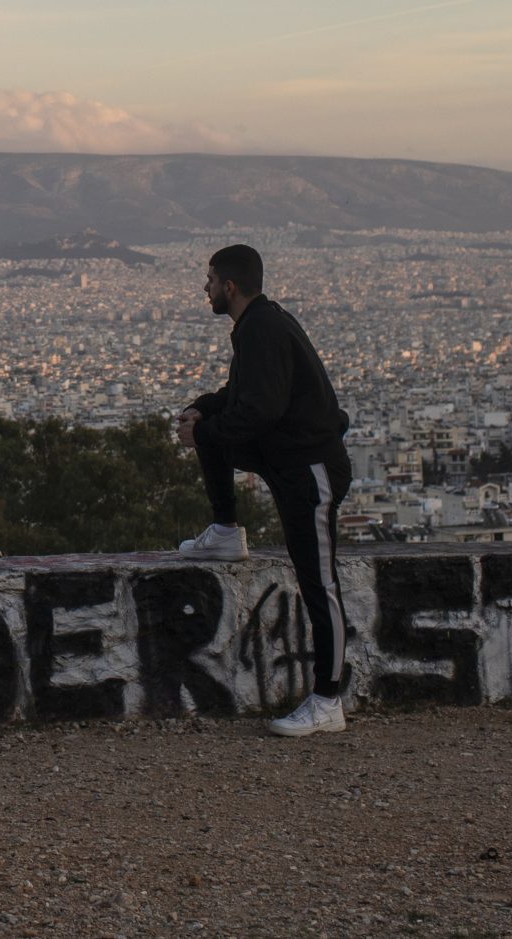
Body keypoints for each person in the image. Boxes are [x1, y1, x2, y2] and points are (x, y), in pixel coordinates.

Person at [175, 242, 354, 737]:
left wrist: (206, 432)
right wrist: (203, 414)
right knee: (206, 415)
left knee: (321, 584)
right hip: (285, 457)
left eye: (209, 280)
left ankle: (328, 699)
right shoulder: (259, 324)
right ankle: (226, 529)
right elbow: (244, 398)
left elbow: (262, 410)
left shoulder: (261, 329)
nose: (204, 289)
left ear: (229, 286)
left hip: (310, 469)